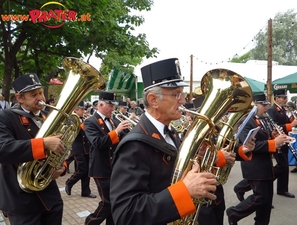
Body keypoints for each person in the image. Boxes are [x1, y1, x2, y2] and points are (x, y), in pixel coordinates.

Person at [110, 58, 218, 225]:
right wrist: (185, 191)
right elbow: (126, 214)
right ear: (153, 100)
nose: (183, 101)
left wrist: (198, 157)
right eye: (176, 94)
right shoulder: (134, 146)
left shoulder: (171, 132)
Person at [0, 73, 66, 225]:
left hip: (50, 196)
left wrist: (62, 167)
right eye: (34, 95)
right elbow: (3, 150)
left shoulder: (47, 115)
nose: (41, 98)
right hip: (22, 199)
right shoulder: (6, 117)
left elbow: (63, 145)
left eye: (41, 92)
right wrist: (43, 143)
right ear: (20, 98)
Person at [226, 93, 291, 225]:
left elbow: (264, 137)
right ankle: (233, 213)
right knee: (260, 198)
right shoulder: (245, 122)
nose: (267, 107)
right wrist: (273, 143)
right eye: (264, 104)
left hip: (265, 165)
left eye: (267, 104)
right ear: (254, 105)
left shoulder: (263, 119)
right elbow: (248, 146)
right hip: (254, 166)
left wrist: (274, 136)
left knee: (267, 201)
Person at [84, 91, 131, 225]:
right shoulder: (90, 122)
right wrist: (116, 132)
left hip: (115, 168)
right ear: (101, 105)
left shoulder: (114, 120)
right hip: (101, 168)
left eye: (113, 106)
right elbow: (98, 143)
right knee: (108, 202)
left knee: (114, 202)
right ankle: (90, 222)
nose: (113, 108)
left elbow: (125, 137)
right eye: (110, 106)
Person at [267, 89, 297, 198]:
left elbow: (285, 122)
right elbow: (275, 127)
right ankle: (259, 182)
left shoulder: (281, 109)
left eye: (286, 97)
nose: (286, 99)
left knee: (284, 166)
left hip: (284, 139)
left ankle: (282, 189)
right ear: (277, 98)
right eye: (283, 98)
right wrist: (291, 125)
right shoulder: (272, 110)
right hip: (277, 140)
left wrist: (293, 120)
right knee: (282, 165)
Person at [65, 101, 97, 198]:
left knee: (87, 171)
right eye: (81, 109)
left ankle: (86, 191)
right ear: (76, 109)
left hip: (86, 148)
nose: (84, 111)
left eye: (84, 109)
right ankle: (69, 182)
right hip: (78, 148)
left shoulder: (82, 118)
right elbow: (74, 131)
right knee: (81, 170)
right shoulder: (72, 119)